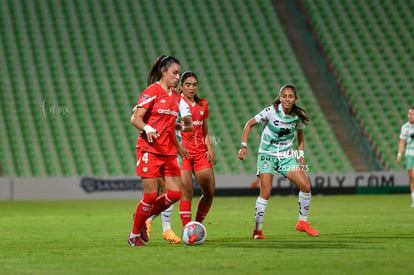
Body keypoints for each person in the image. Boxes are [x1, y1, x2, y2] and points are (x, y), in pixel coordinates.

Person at [237, 84, 319, 239]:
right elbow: (249, 124)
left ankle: (302, 222)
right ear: (280, 97)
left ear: (295, 99)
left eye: (290, 96)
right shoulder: (271, 111)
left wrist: (300, 154)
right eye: (284, 96)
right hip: (267, 155)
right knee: (266, 192)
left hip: (286, 156)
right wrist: (243, 146)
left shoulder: (298, 115)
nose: (287, 99)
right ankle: (257, 230)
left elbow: (300, 135)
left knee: (306, 186)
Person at [128, 55, 187, 246]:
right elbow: (135, 119)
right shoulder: (152, 91)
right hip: (149, 150)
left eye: (179, 73)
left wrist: (179, 135)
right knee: (151, 196)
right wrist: (147, 128)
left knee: (175, 194)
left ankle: (142, 215)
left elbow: (168, 125)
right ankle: (134, 235)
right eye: (175, 73)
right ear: (164, 71)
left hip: (168, 151)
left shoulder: (176, 97)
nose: (178, 77)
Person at [144, 86, 193, 244]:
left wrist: (178, 126)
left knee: (170, 192)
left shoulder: (180, 102)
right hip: (151, 149)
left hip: (170, 151)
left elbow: (189, 124)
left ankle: (147, 219)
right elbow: (136, 114)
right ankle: (163, 228)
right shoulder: (155, 95)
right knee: (164, 191)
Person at [178, 71, 217, 227]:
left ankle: (197, 225)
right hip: (183, 153)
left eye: (194, 85)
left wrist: (210, 149)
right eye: (188, 85)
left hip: (200, 153)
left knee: (210, 192)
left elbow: (205, 130)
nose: (192, 88)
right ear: (181, 87)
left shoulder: (203, 104)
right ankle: (187, 229)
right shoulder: (176, 104)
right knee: (186, 192)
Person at [396, 107, 414, 208]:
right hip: (409, 154)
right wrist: (399, 154)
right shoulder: (405, 127)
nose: (410, 116)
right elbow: (402, 142)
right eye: (409, 114)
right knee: (412, 177)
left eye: (412, 114)